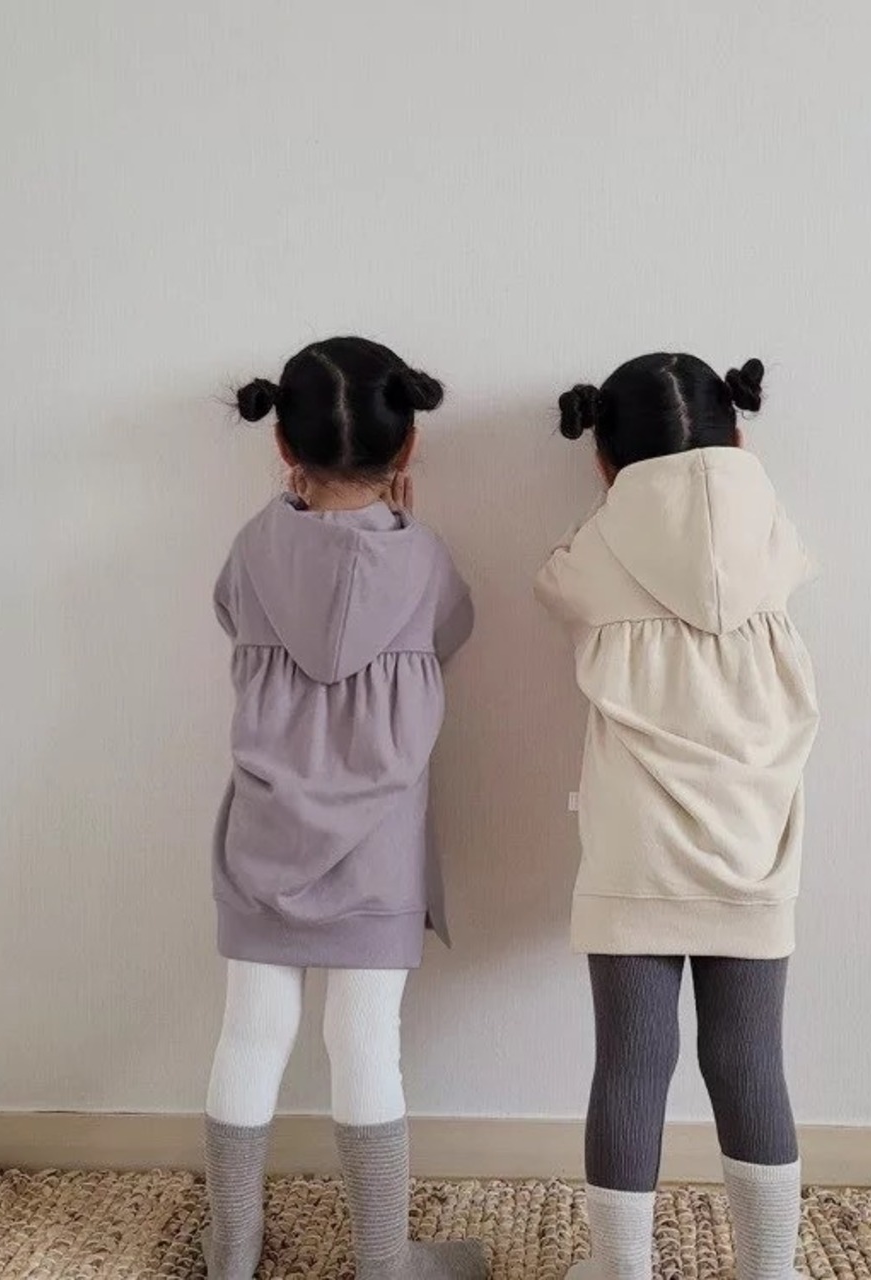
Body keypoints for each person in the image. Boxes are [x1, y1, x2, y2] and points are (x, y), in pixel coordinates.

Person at [204, 336, 484, 1280]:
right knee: (364, 1042)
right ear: (409, 447)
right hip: (378, 848)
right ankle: (383, 1263)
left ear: (282, 442)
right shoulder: (426, 562)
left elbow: (229, 613)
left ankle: (231, 1256)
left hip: (264, 834)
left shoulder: (253, 547)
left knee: (250, 1035)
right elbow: (452, 632)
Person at [535, 354, 819, 1280]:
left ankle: (620, 1271)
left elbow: (552, 584)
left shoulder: (602, 548)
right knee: (749, 1062)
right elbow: (771, 543)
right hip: (753, 840)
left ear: (604, 459)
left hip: (637, 846)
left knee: (630, 1064)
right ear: (738, 435)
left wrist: (616, 500)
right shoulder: (768, 529)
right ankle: (769, 1269)